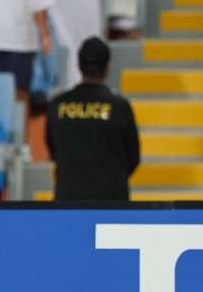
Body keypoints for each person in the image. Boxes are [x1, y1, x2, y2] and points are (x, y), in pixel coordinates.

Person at [46, 36, 140, 201]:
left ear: (78, 66)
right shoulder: (119, 106)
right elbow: (133, 158)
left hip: (68, 201)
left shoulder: (58, 104)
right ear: (107, 67)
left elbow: (53, 150)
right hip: (111, 203)